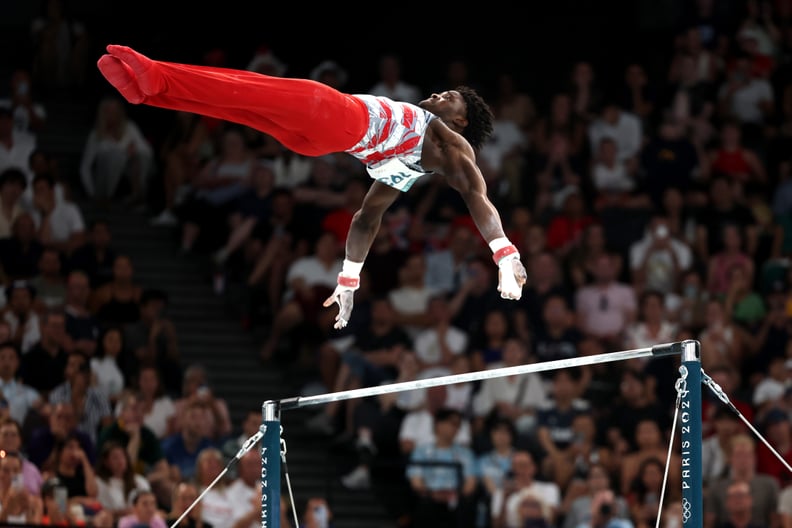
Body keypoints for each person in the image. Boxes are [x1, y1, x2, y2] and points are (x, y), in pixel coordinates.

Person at [96, 45, 527, 328]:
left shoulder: (449, 142)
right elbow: (366, 219)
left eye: (449, 96)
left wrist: (504, 254)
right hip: (320, 142)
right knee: (234, 107)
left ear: (461, 121)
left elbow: (476, 194)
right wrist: (349, 279)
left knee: (244, 88)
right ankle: (151, 91)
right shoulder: (413, 167)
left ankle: (154, 73)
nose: (439, 94)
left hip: (334, 114)